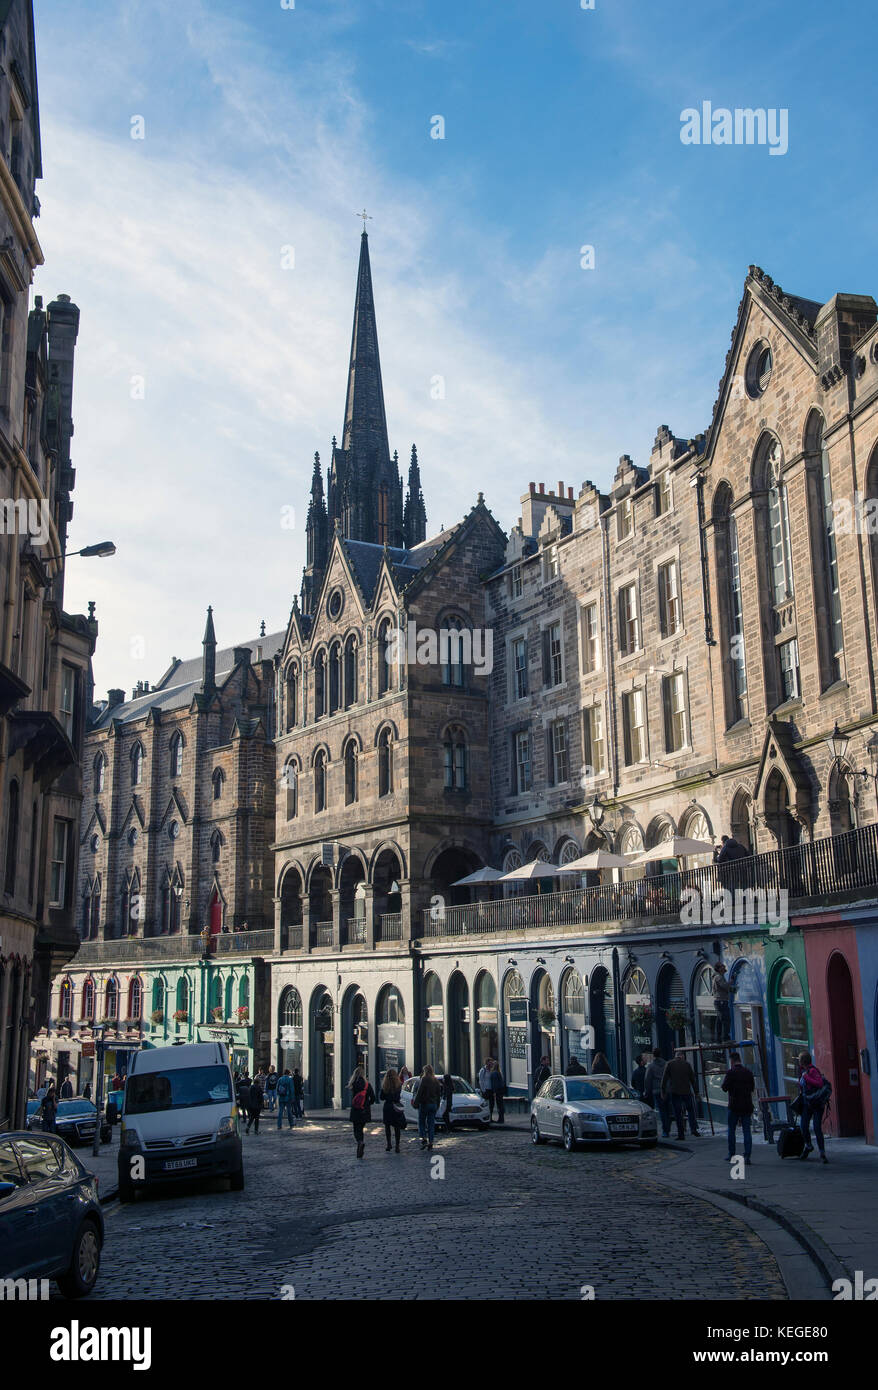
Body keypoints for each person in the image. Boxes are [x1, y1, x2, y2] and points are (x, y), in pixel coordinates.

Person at [721, 1050, 755, 1162]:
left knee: (731, 1130)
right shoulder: (748, 1072)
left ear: (732, 1061)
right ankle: (748, 1155)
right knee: (747, 1131)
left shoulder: (731, 1073)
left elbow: (724, 1088)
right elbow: (752, 1088)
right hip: (746, 1105)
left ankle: (732, 1154)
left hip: (734, 1105)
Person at [797, 1052, 830, 1163]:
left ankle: (822, 1152)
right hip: (807, 1103)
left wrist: (806, 1077)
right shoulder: (802, 1071)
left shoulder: (812, 1071)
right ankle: (808, 1145)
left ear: (802, 1061)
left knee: (817, 1128)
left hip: (816, 1104)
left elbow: (819, 1083)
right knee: (803, 1126)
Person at [661, 1049, 700, 1141]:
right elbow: (693, 1080)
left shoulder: (669, 1064)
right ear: (682, 1056)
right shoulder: (687, 1065)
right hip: (686, 1092)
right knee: (690, 1111)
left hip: (675, 1092)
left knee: (678, 1114)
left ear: (676, 1056)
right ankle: (693, 1129)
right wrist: (696, 1092)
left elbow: (664, 1079)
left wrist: (663, 1091)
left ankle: (681, 1134)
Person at [643, 1048, 671, 1138]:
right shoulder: (666, 1064)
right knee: (668, 1110)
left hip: (657, 1091)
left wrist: (647, 1092)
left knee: (662, 1111)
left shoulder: (651, 1066)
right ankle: (668, 1128)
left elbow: (647, 1080)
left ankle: (665, 1130)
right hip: (667, 1090)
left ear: (653, 1055)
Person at [349, 1066, 376, 1159]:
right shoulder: (367, 1085)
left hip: (356, 1110)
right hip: (364, 1110)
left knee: (356, 1129)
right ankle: (360, 1145)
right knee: (361, 1128)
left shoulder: (353, 1084)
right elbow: (373, 1098)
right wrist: (367, 1104)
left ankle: (360, 1142)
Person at [413, 1064, 441, 1149]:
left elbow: (419, 1092)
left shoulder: (424, 1079)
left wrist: (416, 1102)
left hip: (425, 1104)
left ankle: (424, 1138)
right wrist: (437, 1105)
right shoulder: (436, 1080)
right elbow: (438, 1095)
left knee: (421, 1121)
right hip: (433, 1104)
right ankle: (431, 1141)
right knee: (431, 1124)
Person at [381, 1068, 405, 1152]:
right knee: (397, 1127)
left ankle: (389, 1144)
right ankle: (397, 1146)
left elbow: (381, 1097)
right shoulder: (399, 1085)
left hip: (388, 1106)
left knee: (387, 1126)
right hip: (396, 1106)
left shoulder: (385, 1085)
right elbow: (399, 1096)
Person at [712, 962, 734, 1041]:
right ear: (719, 968)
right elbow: (724, 986)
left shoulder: (719, 977)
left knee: (720, 1020)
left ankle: (718, 1038)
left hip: (720, 1001)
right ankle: (725, 1038)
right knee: (726, 1020)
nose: (724, 967)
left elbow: (723, 988)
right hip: (721, 1002)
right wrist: (731, 981)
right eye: (722, 966)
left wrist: (731, 989)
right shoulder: (718, 977)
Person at [489, 1060, 506, 1124]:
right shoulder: (499, 1072)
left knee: (499, 1105)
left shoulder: (494, 1073)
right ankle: (501, 1118)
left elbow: (495, 1084)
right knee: (500, 1105)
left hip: (498, 1091)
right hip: (501, 1090)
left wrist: (494, 1092)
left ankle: (500, 1119)